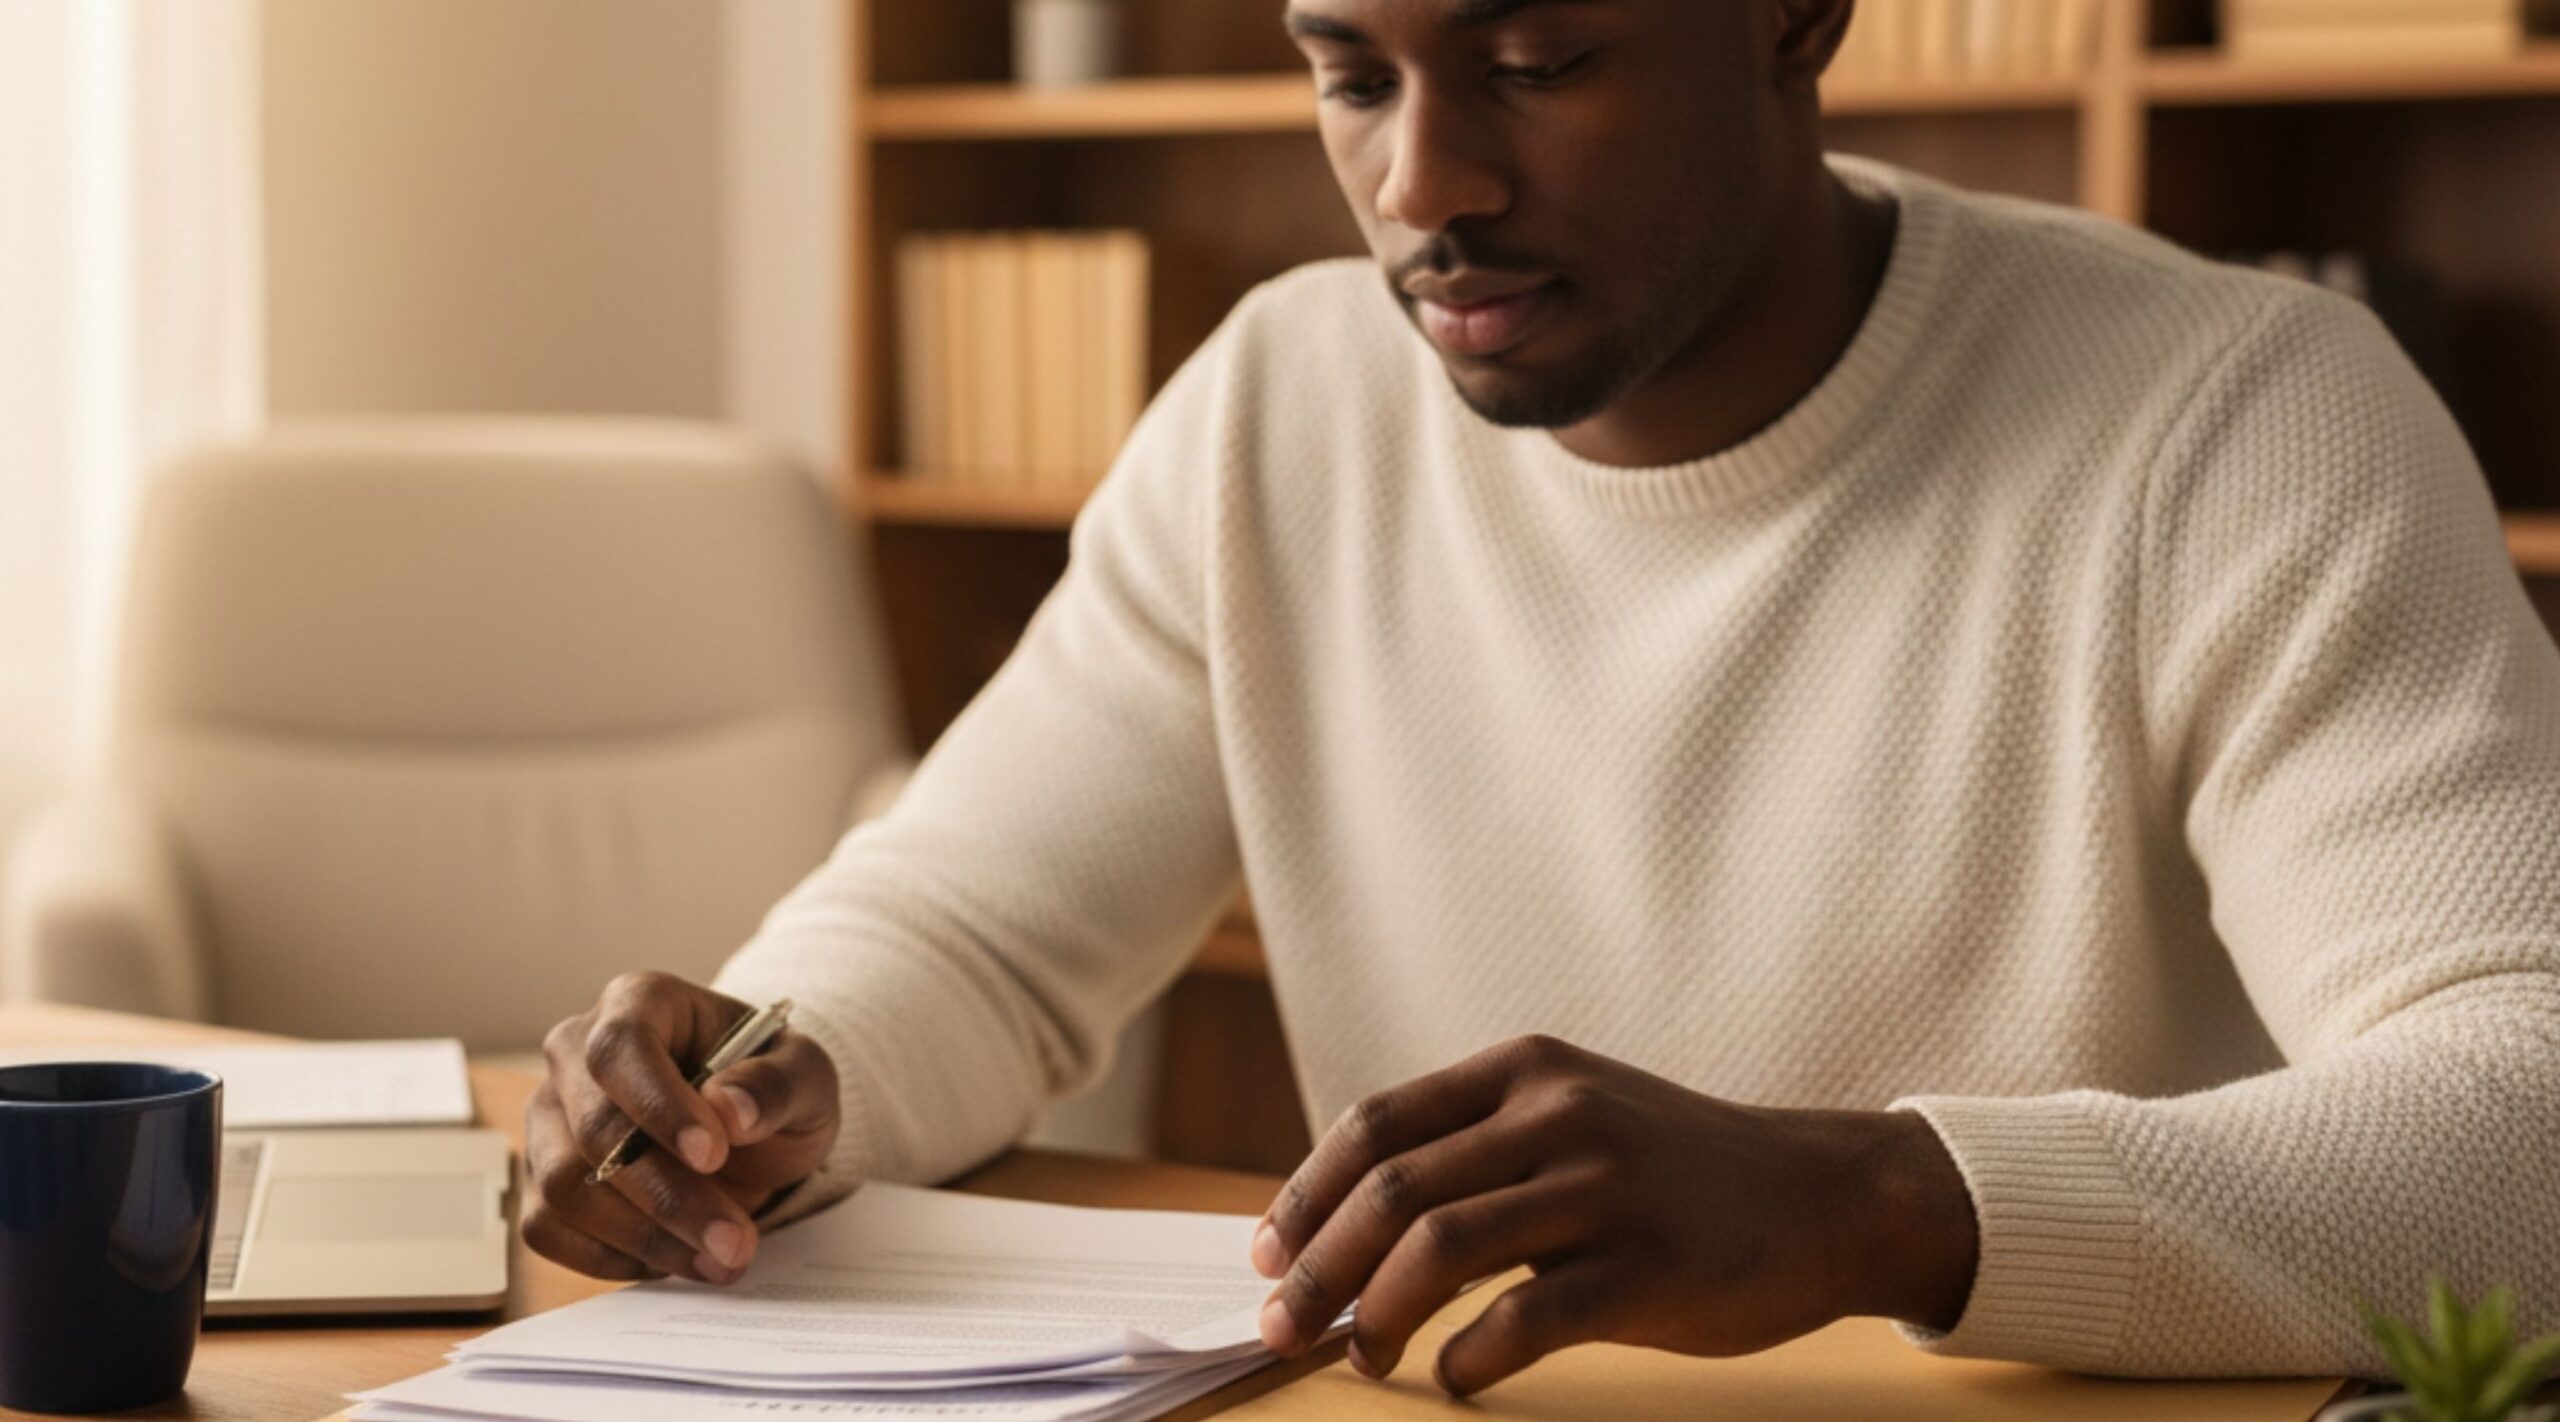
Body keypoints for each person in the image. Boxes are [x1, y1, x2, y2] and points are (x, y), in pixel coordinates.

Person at [521, 0, 2560, 1397]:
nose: (1425, 187)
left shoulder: (2235, 419)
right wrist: (762, 1082)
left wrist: (1873, 1203)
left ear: (1790, 12)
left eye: (1532, 60)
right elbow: (972, 922)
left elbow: (2528, 1115)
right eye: (1346, 72)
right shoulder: (1278, 403)